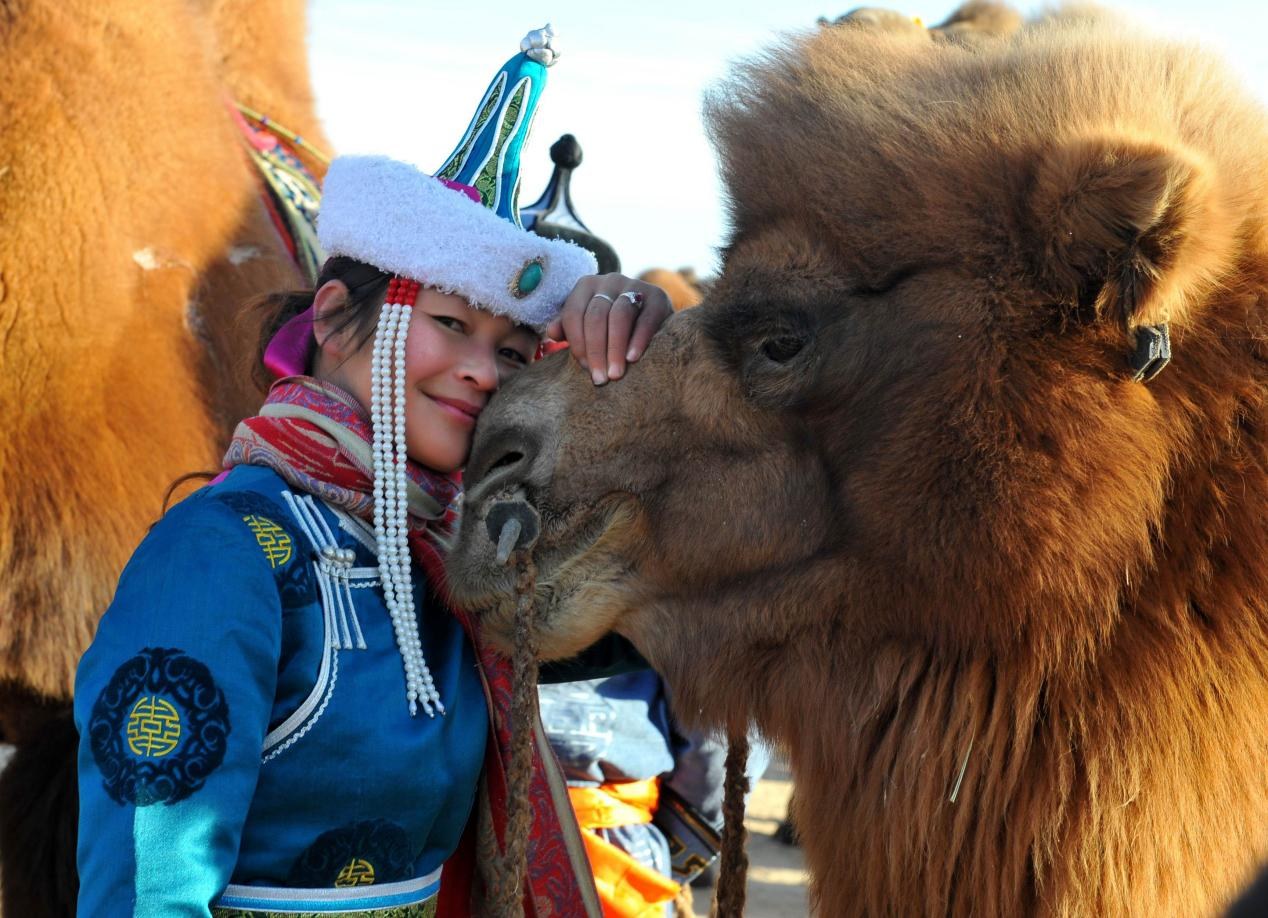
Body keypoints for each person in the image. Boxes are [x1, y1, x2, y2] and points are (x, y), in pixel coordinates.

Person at [73, 26, 670, 917]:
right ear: (332, 316)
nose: (483, 370)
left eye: (513, 350)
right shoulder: (223, 551)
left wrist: (634, 370)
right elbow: (147, 882)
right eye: (450, 323)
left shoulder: (458, 559)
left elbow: (661, 625)